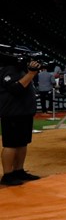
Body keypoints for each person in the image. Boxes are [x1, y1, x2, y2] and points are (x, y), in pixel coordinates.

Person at [1, 54, 44, 186]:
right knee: (11, 144)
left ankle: (19, 170)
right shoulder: (7, 70)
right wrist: (31, 74)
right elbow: (16, 89)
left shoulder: (20, 70)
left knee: (22, 143)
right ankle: (8, 174)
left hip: (23, 112)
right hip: (12, 113)